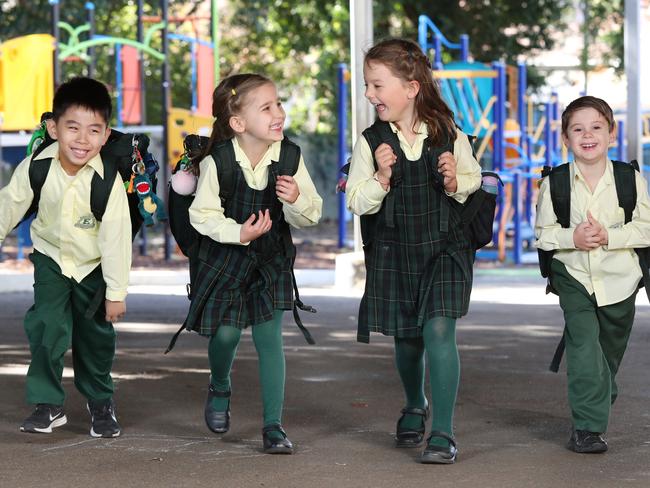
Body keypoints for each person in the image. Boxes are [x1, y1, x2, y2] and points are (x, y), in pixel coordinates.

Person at [345, 38, 481, 464]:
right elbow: (356, 201)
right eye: (368, 85)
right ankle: (414, 403)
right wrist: (382, 178)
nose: (369, 94)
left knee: (439, 329)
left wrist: (457, 181)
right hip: (395, 250)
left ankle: (442, 432)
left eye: (377, 85)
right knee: (407, 341)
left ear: (411, 87)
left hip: (446, 248)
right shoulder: (370, 142)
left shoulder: (448, 133)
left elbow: (475, 178)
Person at [183, 73, 322, 454]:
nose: (279, 113)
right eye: (267, 107)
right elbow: (201, 214)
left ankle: (274, 425)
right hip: (226, 257)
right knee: (226, 335)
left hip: (271, 259)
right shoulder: (219, 162)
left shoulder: (290, 157)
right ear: (239, 123)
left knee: (269, 338)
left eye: (278, 103)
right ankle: (220, 383)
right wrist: (237, 233)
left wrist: (295, 199)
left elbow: (312, 214)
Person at [0, 77, 131, 438]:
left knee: (96, 336)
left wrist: (116, 291)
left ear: (106, 136)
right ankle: (48, 404)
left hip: (94, 266)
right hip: (51, 258)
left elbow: (117, 237)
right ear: (53, 128)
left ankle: (101, 401)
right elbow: (7, 207)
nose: (82, 139)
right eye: (73, 128)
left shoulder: (108, 181)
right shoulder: (36, 167)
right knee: (46, 326)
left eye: (94, 130)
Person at [535, 95, 650, 453]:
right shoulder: (554, 183)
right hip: (573, 275)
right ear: (566, 138)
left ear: (611, 134)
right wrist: (574, 236)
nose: (588, 135)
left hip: (620, 280)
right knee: (583, 346)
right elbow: (543, 234)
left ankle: (598, 393)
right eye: (578, 129)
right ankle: (587, 428)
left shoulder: (629, 178)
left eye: (596, 127)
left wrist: (609, 236)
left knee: (607, 356)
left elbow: (645, 229)